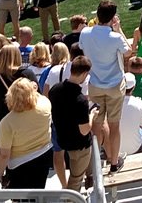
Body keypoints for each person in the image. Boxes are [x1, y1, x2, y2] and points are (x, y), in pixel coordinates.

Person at [80, 0, 129, 173]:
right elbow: (129, 51)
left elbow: (82, 47)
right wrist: (118, 29)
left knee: (97, 124)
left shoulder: (85, 33)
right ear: (112, 17)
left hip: (95, 84)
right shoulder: (115, 37)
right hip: (115, 86)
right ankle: (114, 163)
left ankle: (96, 163)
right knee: (114, 125)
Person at [49, 55, 95, 192]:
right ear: (85, 74)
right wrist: (92, 115)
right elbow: (85, 130)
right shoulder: (80, 100)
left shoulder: (55, 90)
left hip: (63, 140)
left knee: (75, 179)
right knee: (75, 180)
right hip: (79, 146)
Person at [0, 78, 52, 189]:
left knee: (19, 197)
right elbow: (37, 95)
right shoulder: (45, 104)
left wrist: (0, 172)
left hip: (19, 164)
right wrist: (32, 87)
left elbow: (4, 154)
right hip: (44, 155)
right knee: (39, 193)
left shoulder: (7, 122)